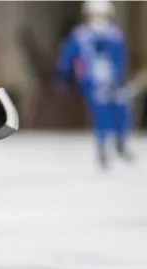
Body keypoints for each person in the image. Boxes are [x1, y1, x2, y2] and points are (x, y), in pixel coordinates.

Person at [57, 0, 132, 169]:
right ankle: (102, 149)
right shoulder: (80, 35)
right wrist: (65, 74)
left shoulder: (114, 35)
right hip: (93, 81)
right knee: (102, 115)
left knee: (121, 111)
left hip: (114, 80)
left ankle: (120, 143)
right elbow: (69, 55)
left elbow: (121, 58)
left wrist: (120, 78)